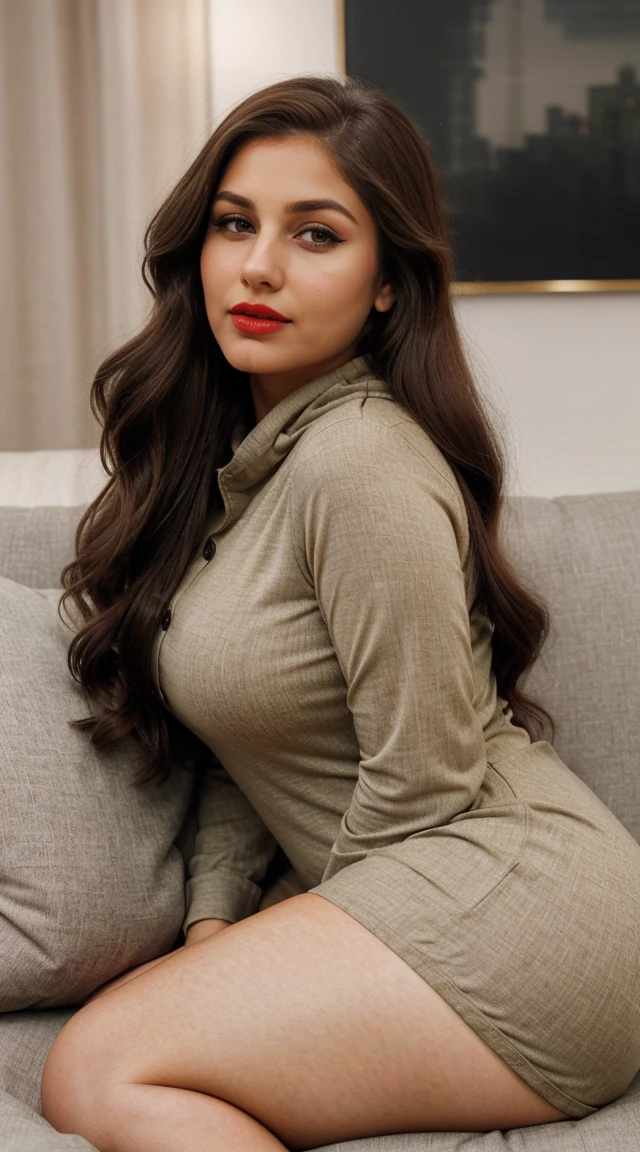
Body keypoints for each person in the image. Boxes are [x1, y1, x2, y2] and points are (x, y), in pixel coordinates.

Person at [40, 74, 640, 1150]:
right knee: (99, 1061)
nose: (258, 265)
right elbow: (245, 742)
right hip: (424, 895)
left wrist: (260, 951)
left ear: (383, 286)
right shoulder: (246, 475)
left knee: (95, 1064)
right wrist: (213, 921)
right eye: (234, 224)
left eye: (315, 234)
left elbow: (423, 779)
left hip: (524, 910)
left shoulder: (357, 460)